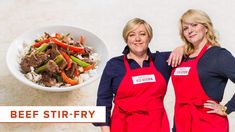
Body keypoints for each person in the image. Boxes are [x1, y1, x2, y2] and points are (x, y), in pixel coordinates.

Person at [93, 18, 183, 132]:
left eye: (142, 34)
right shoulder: (114, 65)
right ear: (126, 38)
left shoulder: (162, 61)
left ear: (149, 37)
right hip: (122, 126)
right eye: (132, 35)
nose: (137, 39)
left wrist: (182, 48)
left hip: (156, 126)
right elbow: (103, 100)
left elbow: (197, 52)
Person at [171, 9, 235, 132]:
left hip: (209, 124)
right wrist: (180, 48)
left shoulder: (219, 56)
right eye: (185, 28)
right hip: (182, 123)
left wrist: (227, 108)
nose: (190, 30)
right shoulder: (180, 57)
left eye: (194, 25)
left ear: (206, 28)